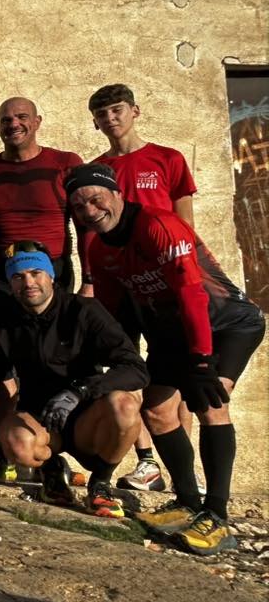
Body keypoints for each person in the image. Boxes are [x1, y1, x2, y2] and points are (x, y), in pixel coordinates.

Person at [69, 164, 265, 555]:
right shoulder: (99, 249)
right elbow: (115, 315)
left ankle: (217, 516)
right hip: (171, 330)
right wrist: (120, 362)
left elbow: (192, 294)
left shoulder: (159, 226)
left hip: (225, 323)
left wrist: (203, 361)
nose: (90, 211)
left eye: (96, 199)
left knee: (211, 404)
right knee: (157, 411)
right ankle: (188, 501)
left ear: (117, 194)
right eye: (78, 206)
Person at [0, 244, 147, 515]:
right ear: (10, 284)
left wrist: (79, 391)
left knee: (125, 405)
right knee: (15, 440)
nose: (29, 283)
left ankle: (100, 483)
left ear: (51, 276)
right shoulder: (2, 325)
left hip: (89, 421)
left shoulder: (84, 310)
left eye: (36, 273)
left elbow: (135, 368)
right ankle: (51, 469)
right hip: (42, 422)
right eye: (18, 276)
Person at [87, 83, 198, 499]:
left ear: (135, 111)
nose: (110, 118)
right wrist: (91, 281)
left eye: (117, 109)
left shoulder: (168, 159)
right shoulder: (96, 170)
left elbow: (185, 224)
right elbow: (90, 233)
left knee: (178, 372)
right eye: (102, 114)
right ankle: (147, 461)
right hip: (120, 284)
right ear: (95, 123)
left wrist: (189, 276)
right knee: (127, 366)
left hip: (166, 285)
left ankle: (184, 468)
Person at [0, 97, 85, 289]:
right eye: (6, 120)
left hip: (55, 271)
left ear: (37, 122)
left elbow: (85, 225)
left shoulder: (65, 163)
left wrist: (89, 280)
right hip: (2, 273)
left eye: (22, 117)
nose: (14, 124)